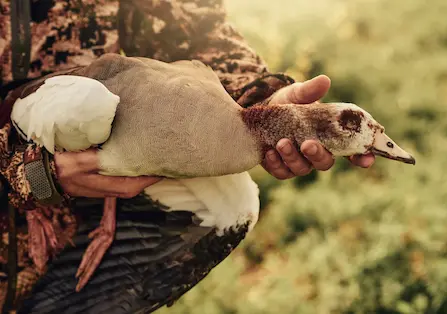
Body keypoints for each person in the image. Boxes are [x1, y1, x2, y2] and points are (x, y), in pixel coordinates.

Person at [0, 0, 375, 310]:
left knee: (229, 205)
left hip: (83, 178)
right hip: (54, 137)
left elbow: (194, 28)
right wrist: (29, 170)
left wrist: (261, 109)